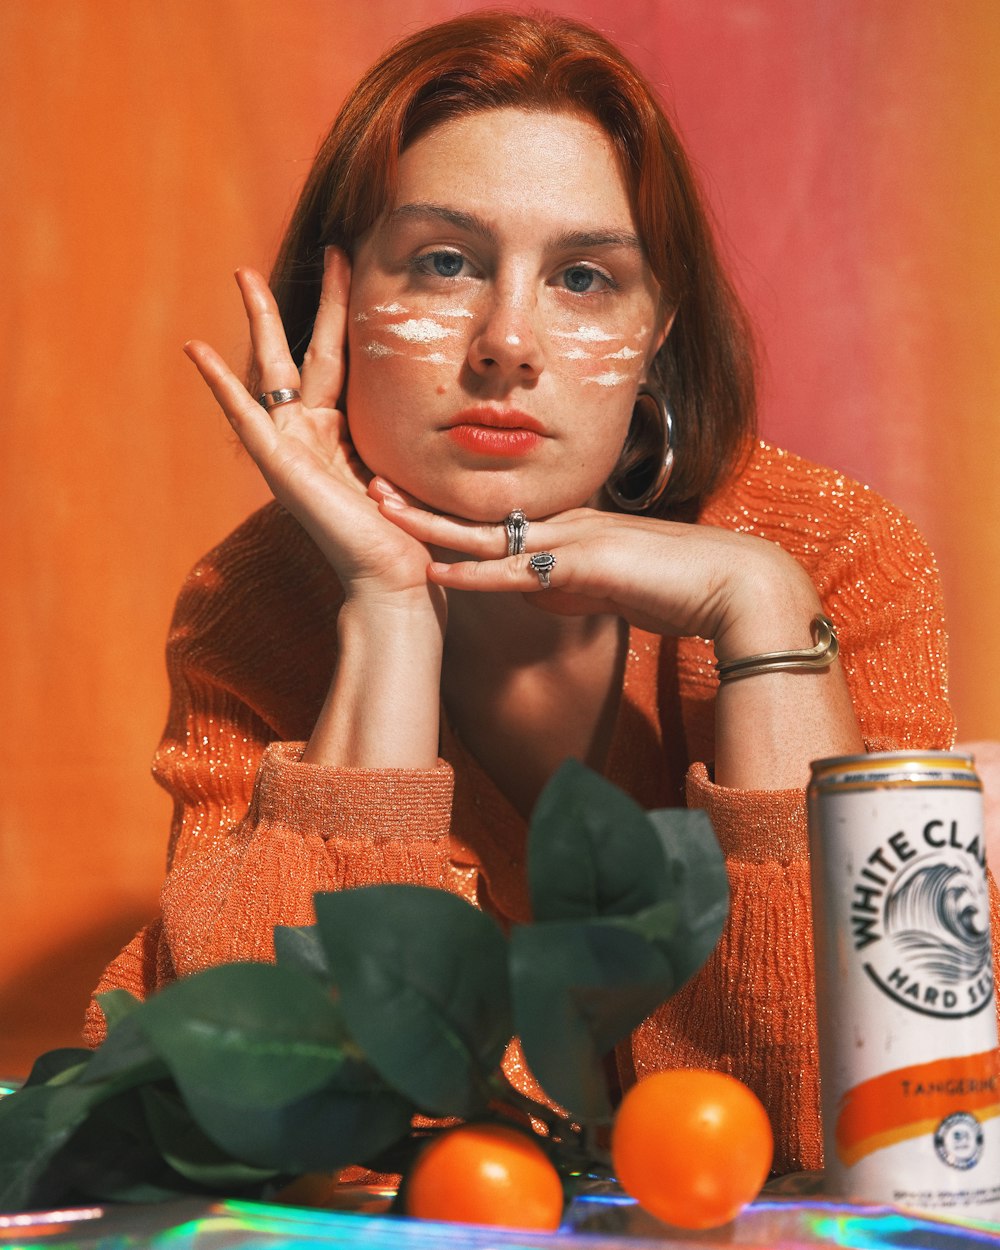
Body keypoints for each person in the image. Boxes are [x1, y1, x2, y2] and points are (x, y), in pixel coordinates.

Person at [84, 10, 995, 1175]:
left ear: (656, 331)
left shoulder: (833, 556)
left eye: (581, 277)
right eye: (445, 261)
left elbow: (866, 1115)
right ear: (338, 301)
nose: (506, 341)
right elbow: (268, 1105)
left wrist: (762, 614)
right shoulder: (251, 608)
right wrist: (382, 609)